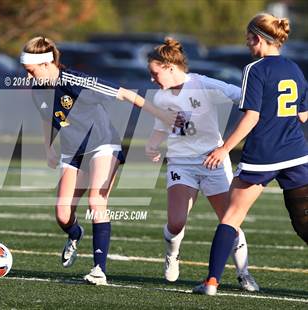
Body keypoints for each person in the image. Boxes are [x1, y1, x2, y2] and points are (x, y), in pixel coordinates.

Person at [20, 36, 176, 285]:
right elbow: (45, 117)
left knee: (96, 199)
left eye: (30, 71)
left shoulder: (75, 80)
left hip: (103, 143)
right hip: (73, 152)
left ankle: (98, 270)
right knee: (62, 215)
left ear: (47, 63)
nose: (28, 77)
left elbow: (125, 94)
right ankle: (75, 233)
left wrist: (163, 116)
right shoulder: (37, 89)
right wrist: (48, 147)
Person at [193, 13, 308, 296]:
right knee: (303, 223)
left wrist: (223, 149)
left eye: (248, 39)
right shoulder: (294, 68)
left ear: (258, 38)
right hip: (296, 154)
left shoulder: (254, 69)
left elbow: (251, 118)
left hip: (263, 156)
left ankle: (211, 282)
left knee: (231, 217)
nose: (247, 44)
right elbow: (303, 116)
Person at [145, 37, 259, 291]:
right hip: (180, 164)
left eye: (155, 73)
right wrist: (151, 146)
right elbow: (161, 128)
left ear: (169, 67)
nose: (152, 79)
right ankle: (172, 256)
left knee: (230, 220)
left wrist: (266, 106)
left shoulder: (202, 84)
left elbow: (240, 95)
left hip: (212, 161)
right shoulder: (161, 97)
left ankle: (244, 273)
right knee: (175, 223)